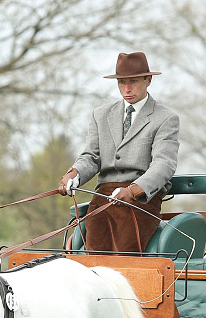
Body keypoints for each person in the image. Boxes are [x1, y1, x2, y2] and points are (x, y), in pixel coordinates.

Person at [58, 51, 179, 253]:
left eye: (133, 81)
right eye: (122, 82)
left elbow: (164, 164)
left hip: (141, 201)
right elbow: (91, 156)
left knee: (123, 249)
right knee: (94, 248)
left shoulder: (165, 118)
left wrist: (133, 190)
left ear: (148, 80)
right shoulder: (100, 114)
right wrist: (74, 174)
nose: (127, 88)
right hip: (103, 196)